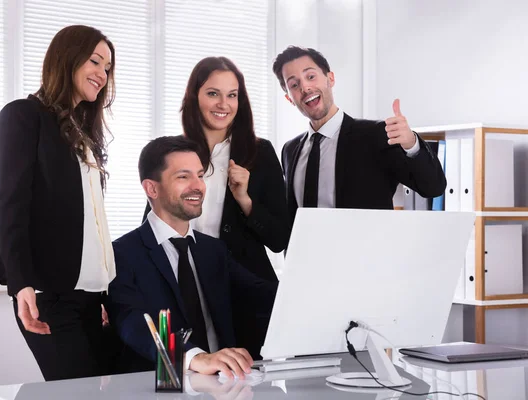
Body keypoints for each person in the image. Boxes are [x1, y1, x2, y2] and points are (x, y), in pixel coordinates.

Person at [0, 25, 118, 381]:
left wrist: (104, 286)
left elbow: (92, 221)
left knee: (98, 387)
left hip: (91, 296)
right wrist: (21, 284)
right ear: (66, 58)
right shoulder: (23, 116)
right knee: (75, 389)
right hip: (50, 293)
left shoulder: (83, 133)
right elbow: (10, 206)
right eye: (95, 61)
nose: (102, 74)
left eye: (107, 68)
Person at [146, 57, 289, 358]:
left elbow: (280, 238)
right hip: (185, 284)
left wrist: (246, 201)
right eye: (213, 93)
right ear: (195, 96)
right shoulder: (175, 152)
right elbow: (154, 219)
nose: (223, 103)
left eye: (232, 95)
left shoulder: (260, 153)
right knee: (184, 374)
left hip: (244, 291)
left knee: (245, 383)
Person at [108, 136, 277, 377]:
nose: (198, 186)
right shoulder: (122, 253)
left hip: (227, 383)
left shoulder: (214, 250)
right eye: (183, 177)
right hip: (164, 384)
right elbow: (132, 324)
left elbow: (262, 293)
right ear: (152, 188)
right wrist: (194, 357)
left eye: (200, 175)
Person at [273, 46, 446, 228]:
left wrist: (412, 145)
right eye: (294, 85)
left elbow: (432, 187)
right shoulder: (290, 150)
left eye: (310, 76)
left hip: (364, 255)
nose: (305, 87)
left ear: (330, 79)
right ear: (289, 98)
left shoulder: (376, 135)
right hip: (306, 255)